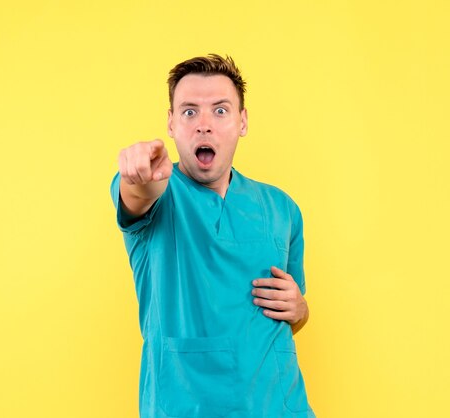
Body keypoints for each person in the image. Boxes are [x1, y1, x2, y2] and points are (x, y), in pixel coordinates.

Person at [110, 54, 315, 417]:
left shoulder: (283, 208)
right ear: (171, 123)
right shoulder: (161, 192)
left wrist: (301, 309)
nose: (204, 124)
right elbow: (137, 194)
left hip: (281, 407)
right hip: (184, 407)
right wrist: (136, 173)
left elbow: (293, 314)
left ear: (242, 122)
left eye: (220, 110)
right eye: (189, 111)